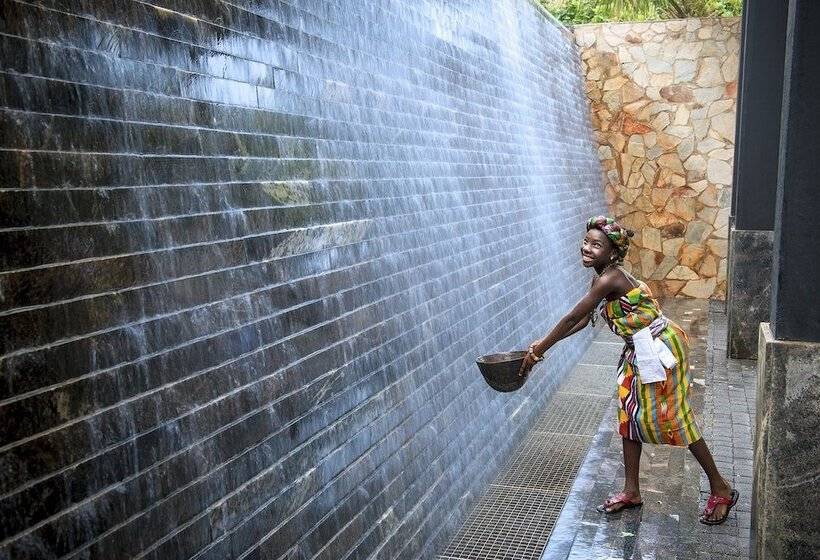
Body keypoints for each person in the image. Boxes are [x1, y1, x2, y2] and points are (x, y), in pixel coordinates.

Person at [518, 216, 739, 525]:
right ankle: (631, 491)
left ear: (612, 253)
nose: (587, 248)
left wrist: (539, 349)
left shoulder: (611, 279)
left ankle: (720, 486)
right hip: (639, 350)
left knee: (675, 417)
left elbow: (570, 317)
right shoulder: (601, 278)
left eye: (596, 245)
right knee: (629, 414)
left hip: (659, 350)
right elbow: (582, 320)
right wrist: (544, 344)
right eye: (586, 241)